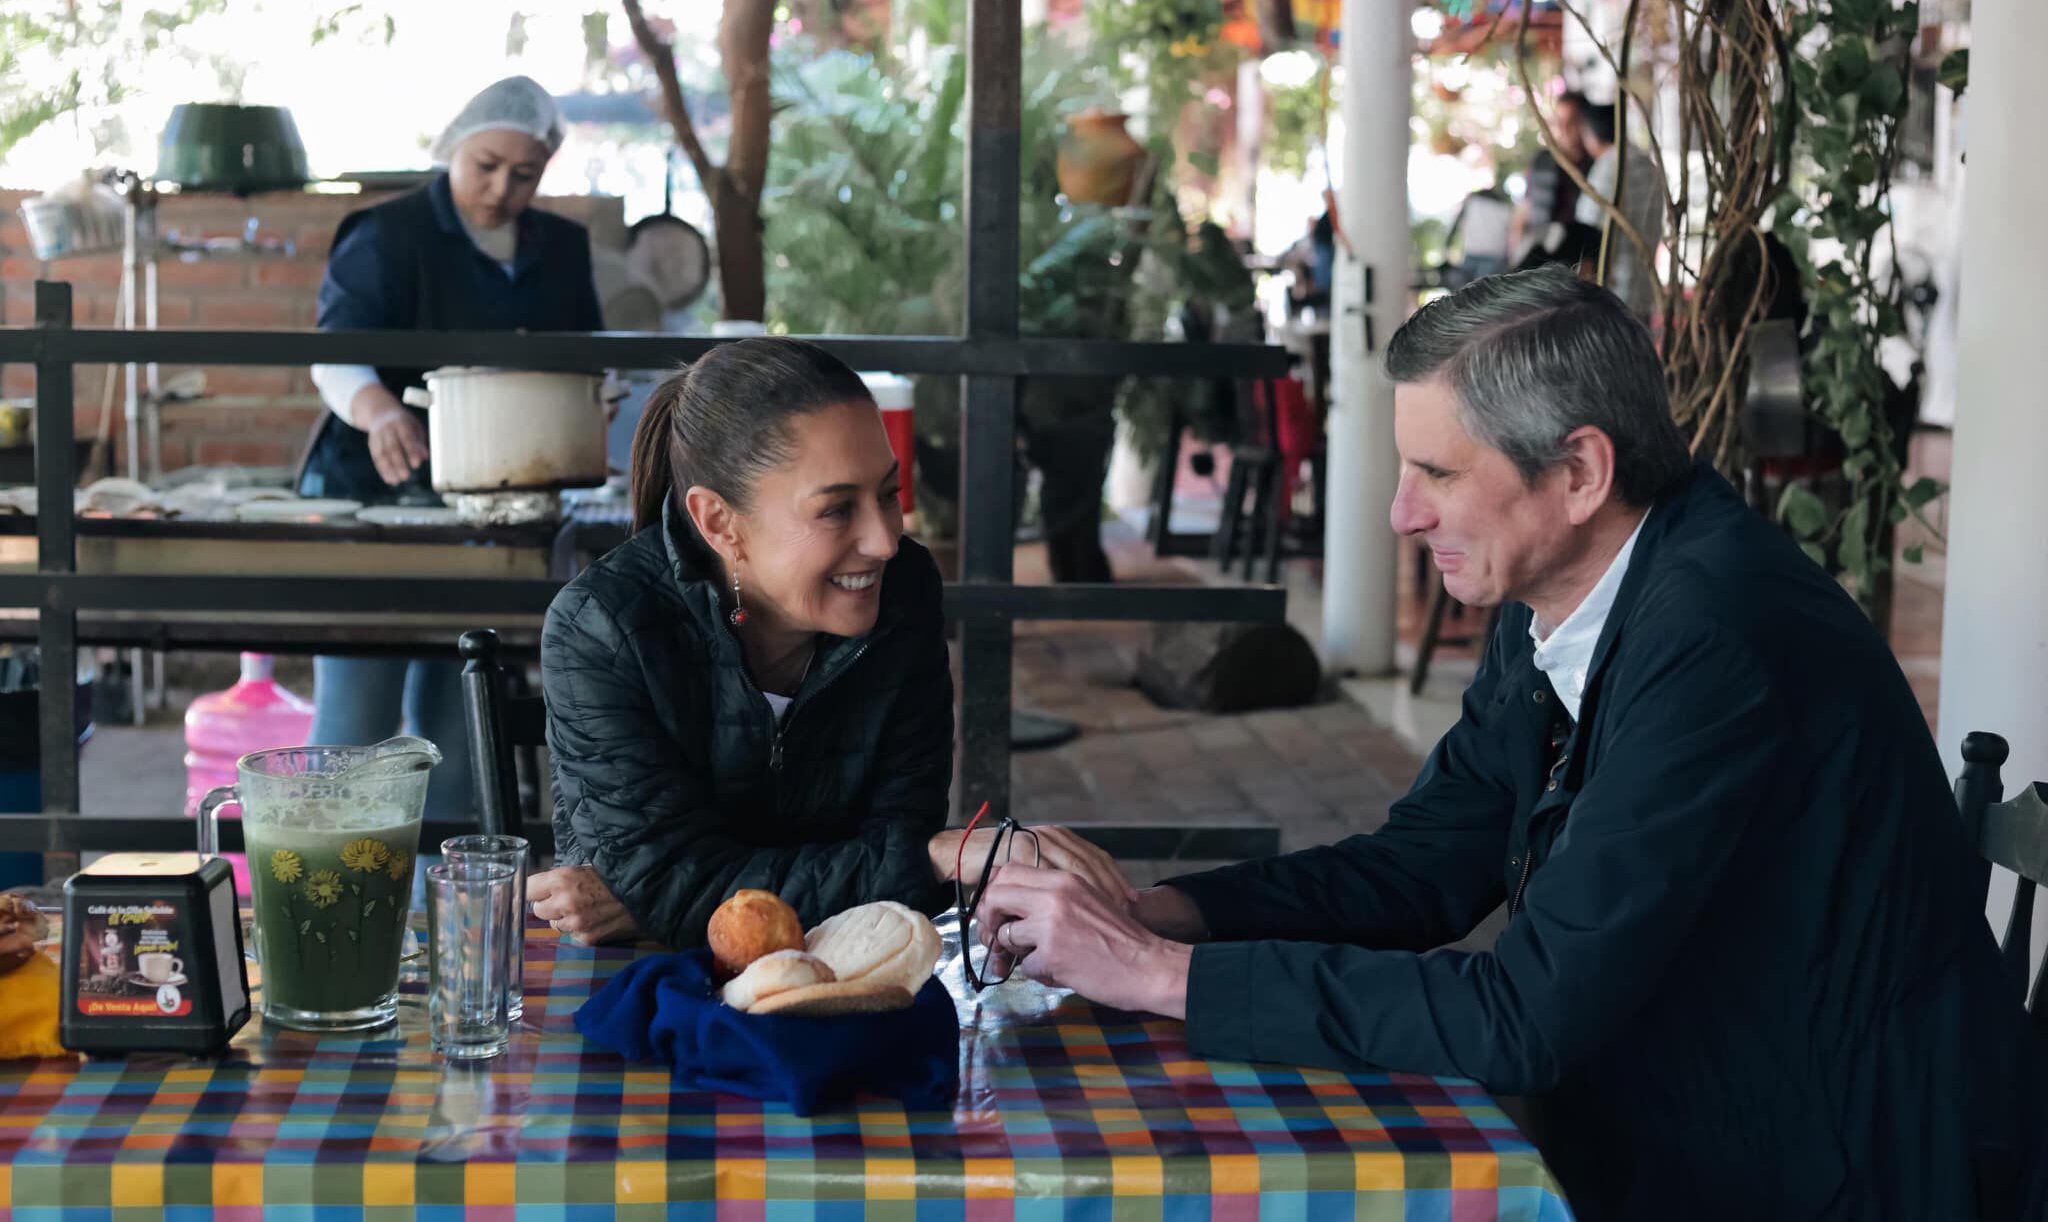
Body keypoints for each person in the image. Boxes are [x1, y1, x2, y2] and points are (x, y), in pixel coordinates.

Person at [971, 267, 2046, 1221]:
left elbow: (1525, 1016)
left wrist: (1158, 977)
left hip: (1827, 1164)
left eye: (1434, 473)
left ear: (1577, 472)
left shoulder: (1717, 634)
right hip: (1682, 1113)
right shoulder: (1559, 599)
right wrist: (1163, 914)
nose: (1398, 514)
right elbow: (1421, 867)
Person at [527, 337, 1130, 946]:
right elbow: (674, 885)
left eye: (889, 494)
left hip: (841, 972)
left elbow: (893, 837)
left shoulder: (904, 592)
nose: (885, 542)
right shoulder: (602, 627)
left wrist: (674, 896)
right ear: (717, 520)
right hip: (642, 993)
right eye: (838, 510)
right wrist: (933, 860)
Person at [298, 76, 605, 819]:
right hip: (371, 493)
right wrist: (379, 415)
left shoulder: (559, 249)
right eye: (486, 165)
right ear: (453, 151)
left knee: (464, 717)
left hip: (489, 505)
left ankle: (456, 905)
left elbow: (587, 361)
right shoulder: (390, 233)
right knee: (356, 717)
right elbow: (335, 353)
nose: (501, 187)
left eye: (523, 173)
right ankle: (319, 885)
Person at [1574, 99, 1666, 320]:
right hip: (1645, 288)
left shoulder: (1607, 168)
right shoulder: (1649, 165)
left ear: (1590, 134)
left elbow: (1586, 231)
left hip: (1612, 294)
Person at [1509, 89, 1595, 270]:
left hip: (1581, 261)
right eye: (1559, 122)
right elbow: (1523, 213)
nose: (1564, 129)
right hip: (1542, 258)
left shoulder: (1596, 166)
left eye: (1571, 122)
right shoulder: (1541, 161)